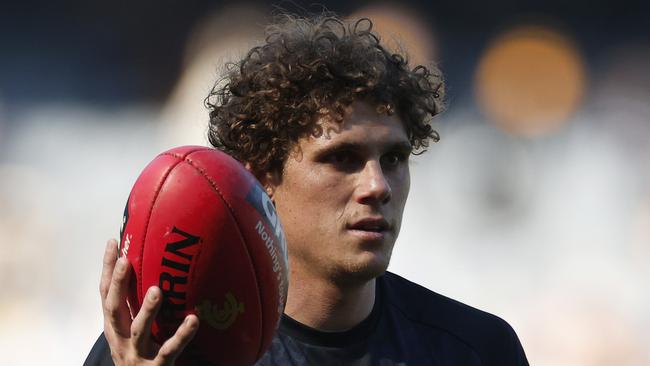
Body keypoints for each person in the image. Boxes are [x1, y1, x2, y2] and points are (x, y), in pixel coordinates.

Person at [85, 14, 529, 366]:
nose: (377, 186)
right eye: (342, 158)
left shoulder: (476, 350)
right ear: (262, 183)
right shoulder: (162, 352)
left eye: (393, 159)